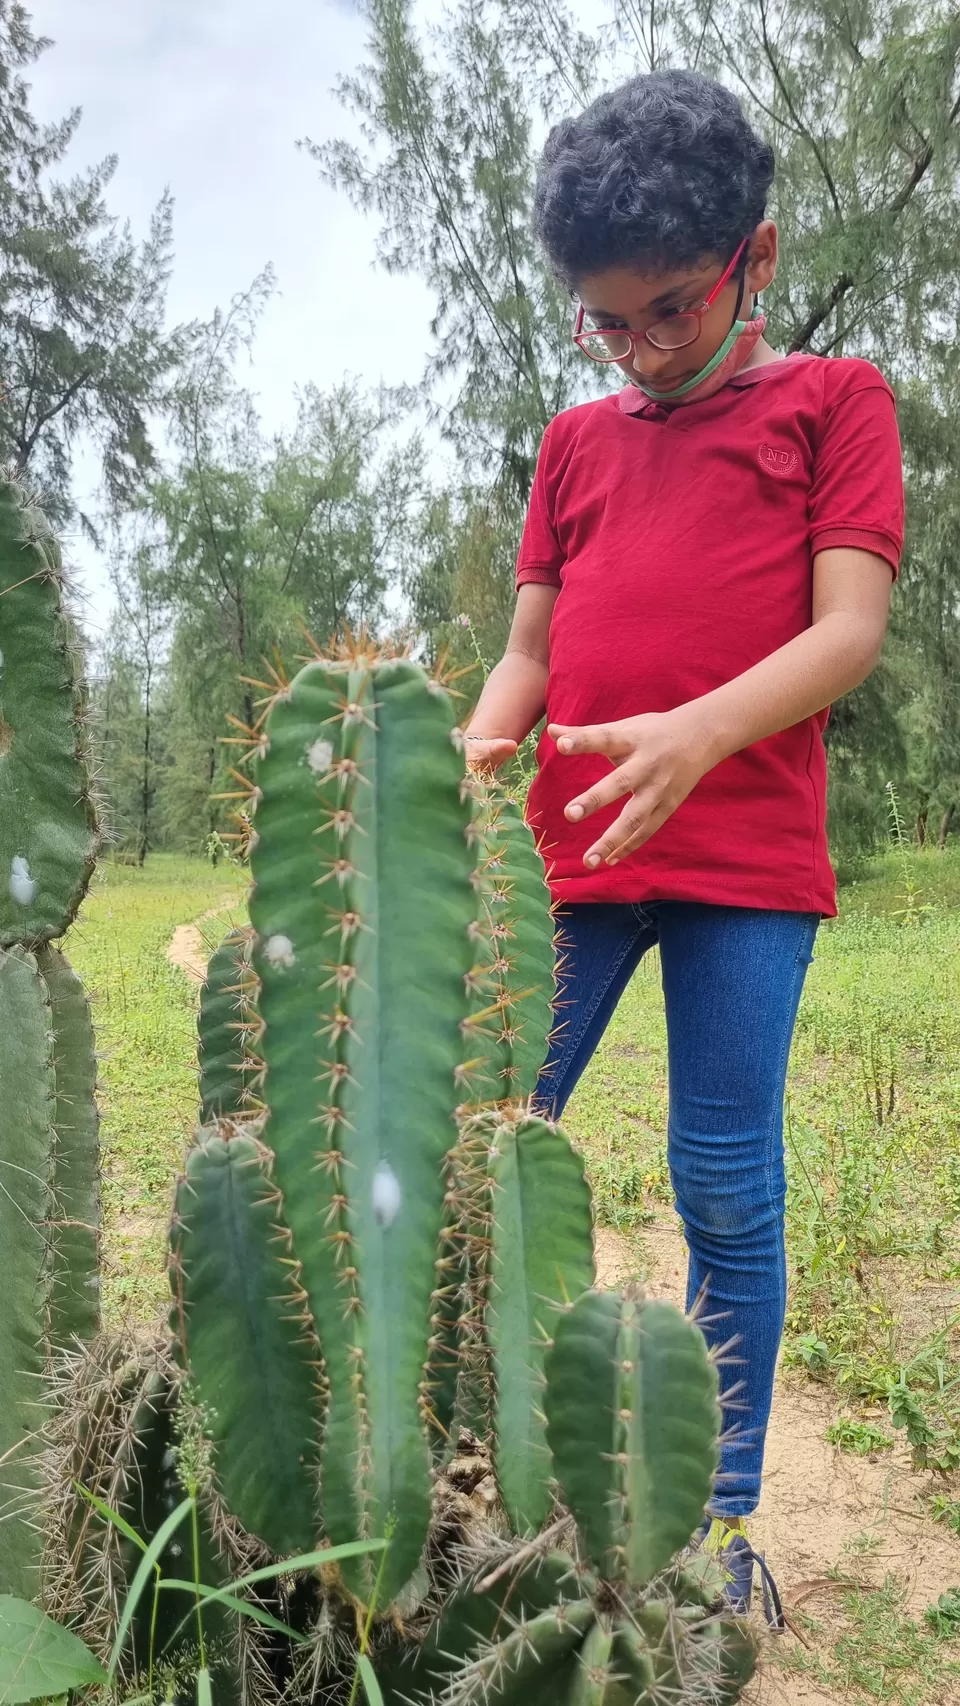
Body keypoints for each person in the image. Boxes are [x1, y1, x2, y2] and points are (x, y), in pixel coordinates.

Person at [464, 68, 904, 1617]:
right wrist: (472, 741)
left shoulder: (835, 405)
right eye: (607, 323)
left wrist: (697, 731)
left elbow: (848, 630)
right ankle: (468, 1465)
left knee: (725, 1183)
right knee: (487, 1137)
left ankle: (715, 1522)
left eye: (669, 311)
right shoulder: (575, 446)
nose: (638, 352)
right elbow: (529, 648)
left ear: (756, 261)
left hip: (743, 867)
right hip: (567, 862)